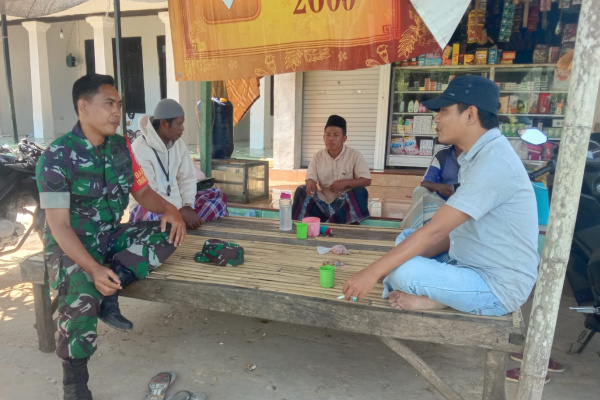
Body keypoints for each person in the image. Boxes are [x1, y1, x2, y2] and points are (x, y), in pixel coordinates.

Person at [36, 74, 186, 400]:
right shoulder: (56, 156)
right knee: (80, 291)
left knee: (168, 233)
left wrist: (170, 210)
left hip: (109, 235)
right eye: (108, 104)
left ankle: (112, 286)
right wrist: (93, 269)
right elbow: (59, 225)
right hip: (71, 244)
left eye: (118, 104)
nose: (117, 112)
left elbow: (142, 192)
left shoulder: (121, 146)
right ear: (83, 107)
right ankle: (75, 384)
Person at [341, 75, 540, 317]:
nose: (436, 118)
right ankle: (441, 296)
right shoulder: (478, 155)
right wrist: (385, 266)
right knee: (406, 239)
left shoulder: (494, 162)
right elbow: (449, 233)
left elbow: (436, 231)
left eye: (444, 111)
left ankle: (439, 299)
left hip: (496, 286)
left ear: (470, 115)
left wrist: (372, 273)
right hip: (467, 259)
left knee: (405, 272)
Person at [129, 98, 228, 228]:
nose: (182, 128)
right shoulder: (139, 149)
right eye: (179, 124)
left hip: (179, 205)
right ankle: (180, 221)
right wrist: (176, 211)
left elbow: (187, 178)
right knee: (154, 218)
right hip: (149, 208)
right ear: (164, 123)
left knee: (218, 195)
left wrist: (187, 206)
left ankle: (180, 222)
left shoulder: (179, 144)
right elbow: (148, 194)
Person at [292, 115, 372, 224]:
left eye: (336, 135)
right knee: (301, 190)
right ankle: (301, 224)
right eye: (328, 135)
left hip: (344, 204)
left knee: (361, 192)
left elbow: (366, 180)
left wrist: (346, 183)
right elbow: (310, 177)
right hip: (323, 203)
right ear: (323, 137)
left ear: (344, 138)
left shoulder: (355, 155)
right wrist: (310, 182)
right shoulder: (317, 157)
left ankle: (332, 221)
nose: (331, 138)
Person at [400, 145, 462, 229]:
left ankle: (422, 232)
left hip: (469, 207)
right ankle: (409, 231)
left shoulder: (478, 155)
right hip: (444, 203)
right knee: (420, 191)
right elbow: (425, 183)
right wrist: (439, 187)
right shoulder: (443, 153)